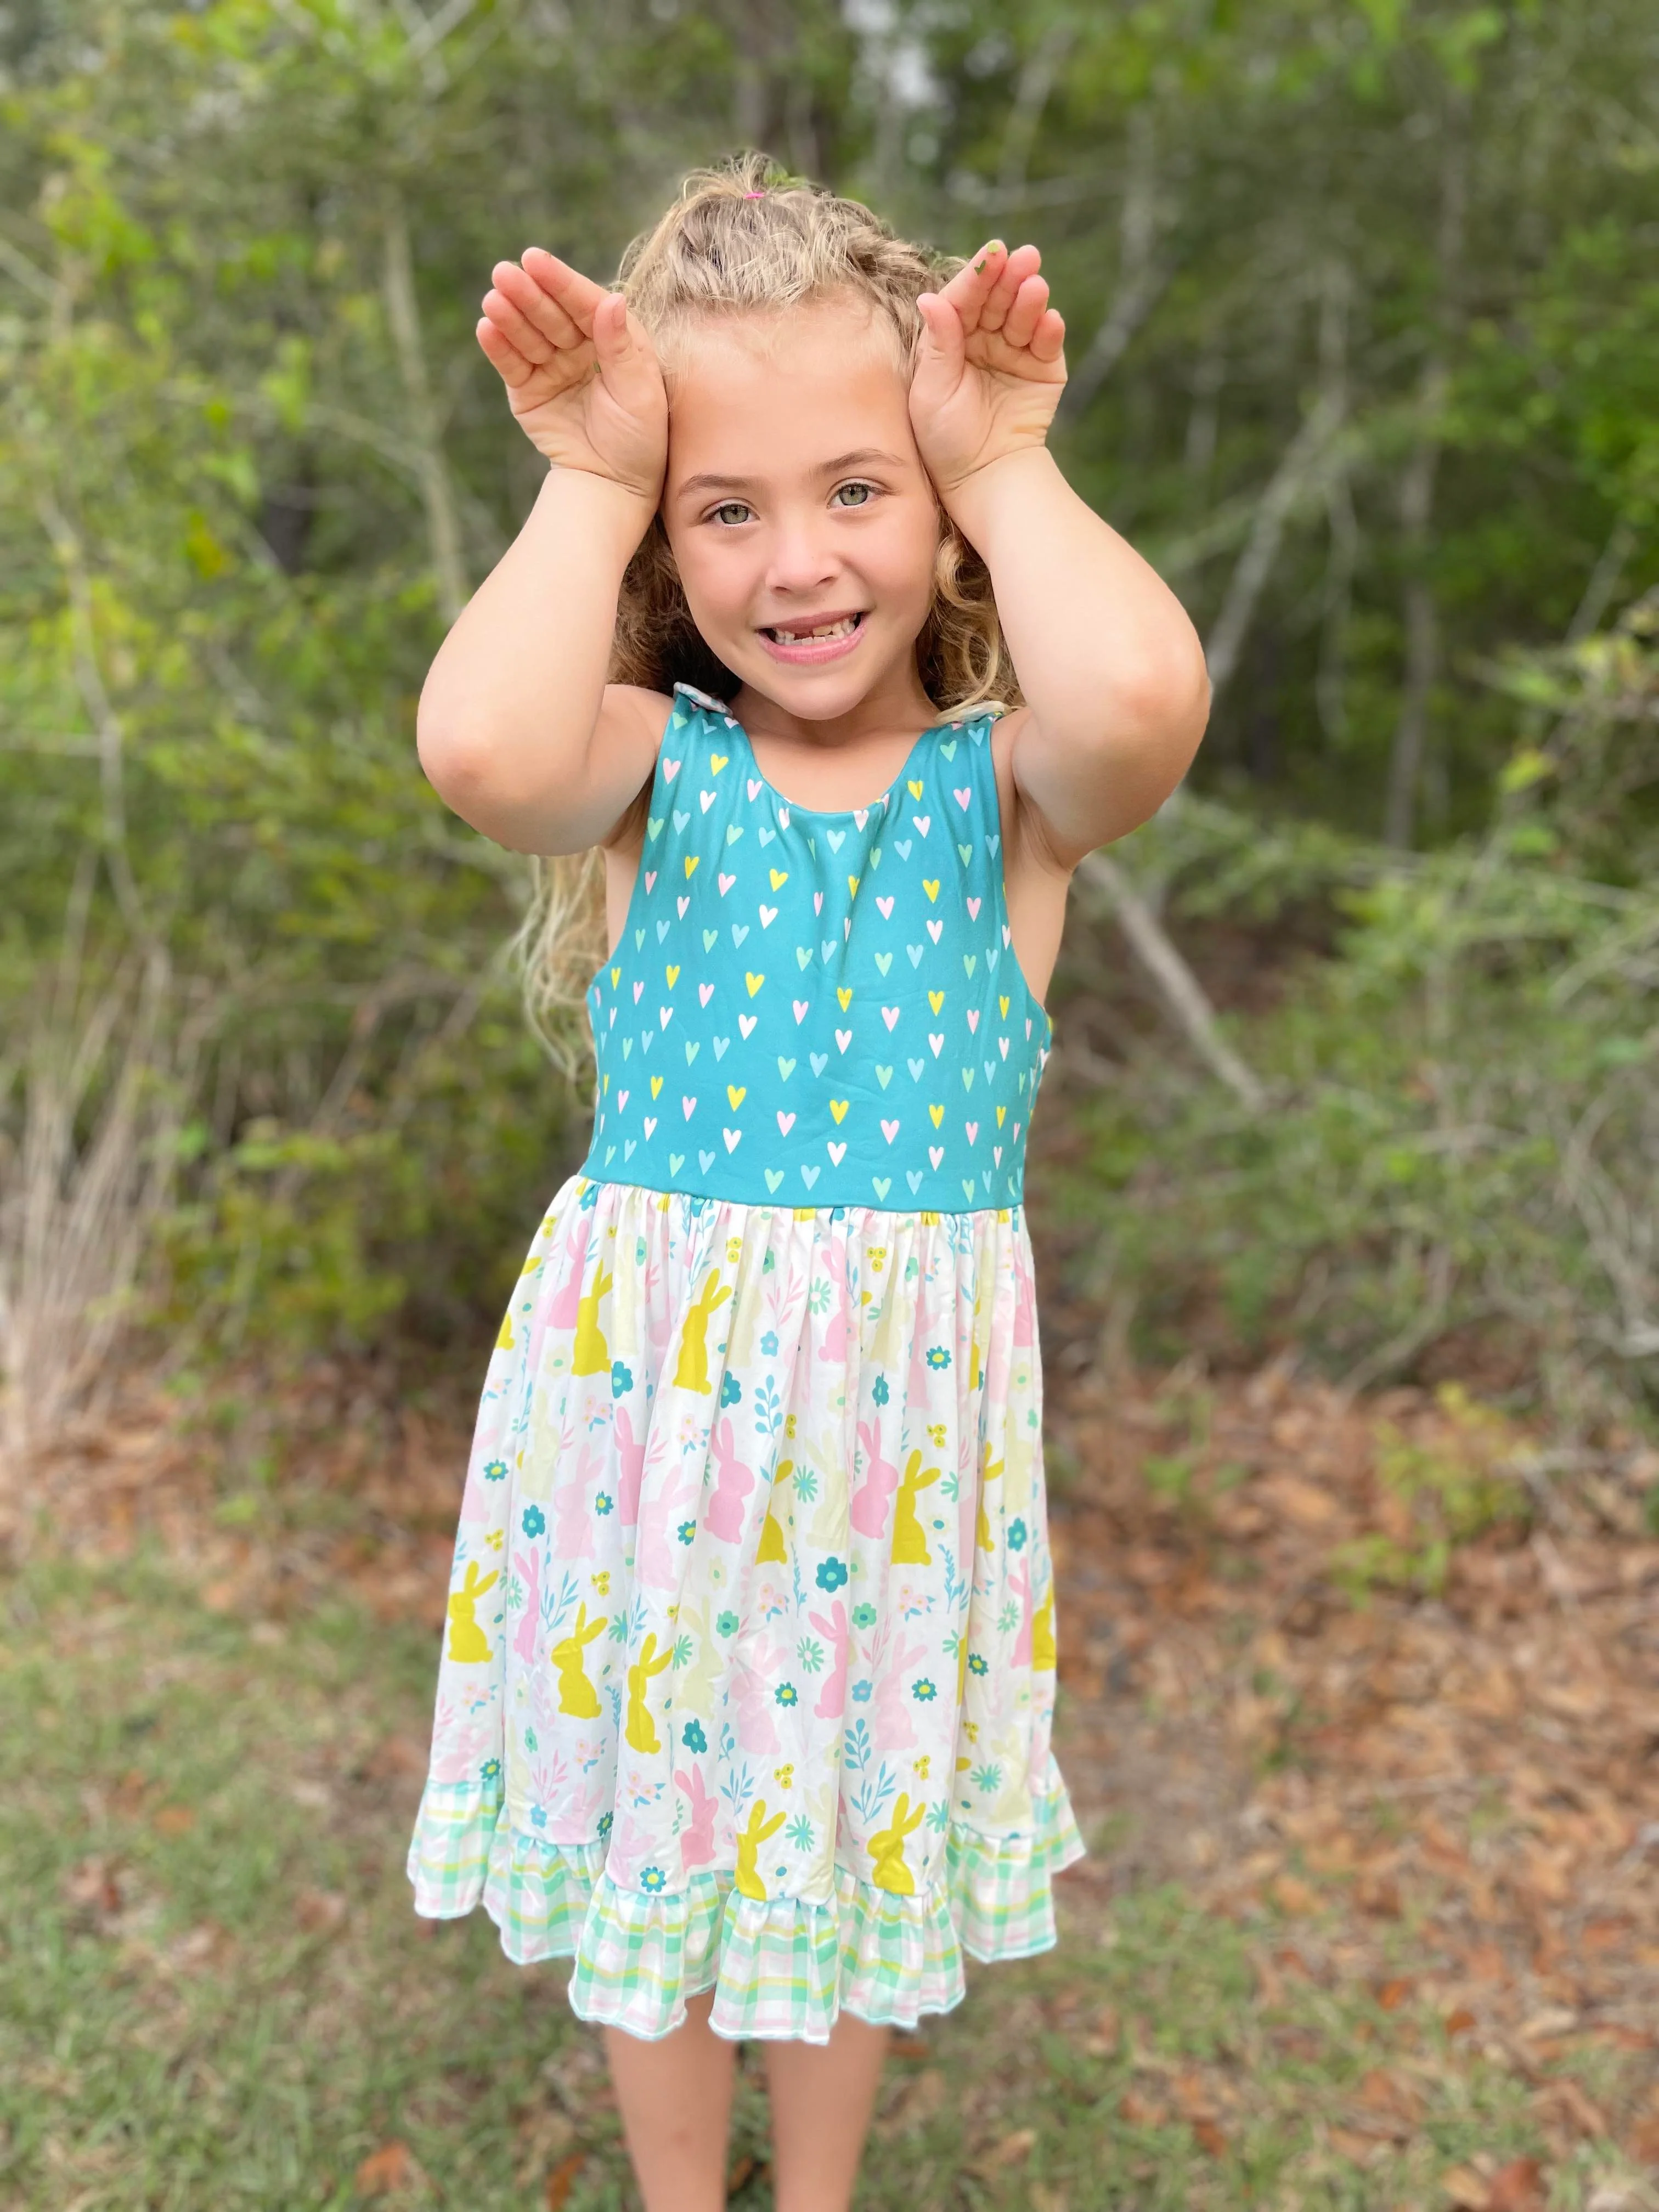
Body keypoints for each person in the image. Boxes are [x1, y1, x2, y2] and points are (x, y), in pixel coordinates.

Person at [406, 153, 1209, 2212]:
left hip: (893, 1452)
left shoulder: (1007, 794)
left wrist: (1008, 457)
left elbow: (1137, 698)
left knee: (841, 1829)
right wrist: (592, 475)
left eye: (857, 488)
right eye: (725, 506)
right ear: (671, 545)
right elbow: (483, 752)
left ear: (935, 517)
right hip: (649, 1423)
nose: (797, 560)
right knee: (662, 1813)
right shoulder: (650, 763)